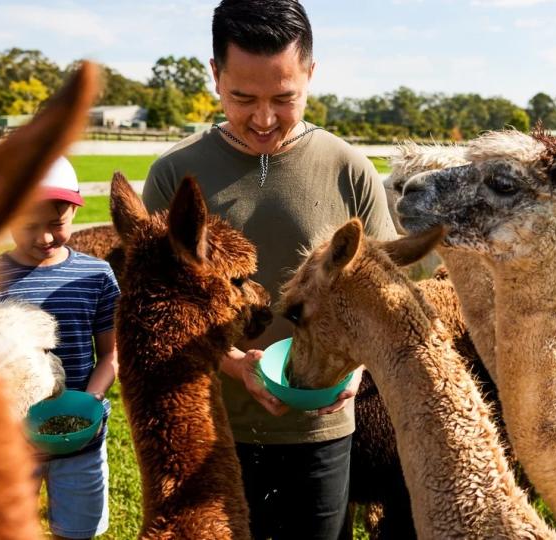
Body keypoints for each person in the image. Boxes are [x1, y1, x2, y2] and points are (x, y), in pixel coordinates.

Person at [142, 1, 397, 538]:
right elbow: (158, 313)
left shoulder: (348, 169)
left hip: (322, 429)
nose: (263, 119)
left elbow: (384, 297)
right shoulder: (173, 177)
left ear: (310, 73)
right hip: (211, 429)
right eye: (242, 98)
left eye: (285, 99)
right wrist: (235, 364)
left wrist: (352, 367)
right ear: (215, 75)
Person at [0, 156, 120, 540]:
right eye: (29, 226)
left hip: (80, 437)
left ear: (73, 211)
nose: (44, 238)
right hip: (8, 439)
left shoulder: (96, 275)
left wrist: (89, 403)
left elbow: (112, 353)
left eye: (56, 224)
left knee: (78, 530)